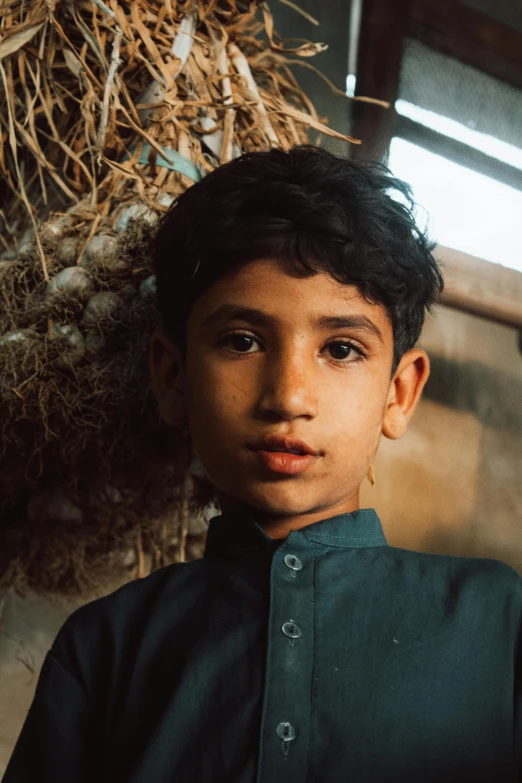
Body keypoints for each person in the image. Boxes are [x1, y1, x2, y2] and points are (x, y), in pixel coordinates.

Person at [4, 145, 522, 783]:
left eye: (340, 348)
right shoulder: (107, 647)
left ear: (399, 393)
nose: (288, 397)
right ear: (172, 377)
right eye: (241, 341)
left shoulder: (500, 621)